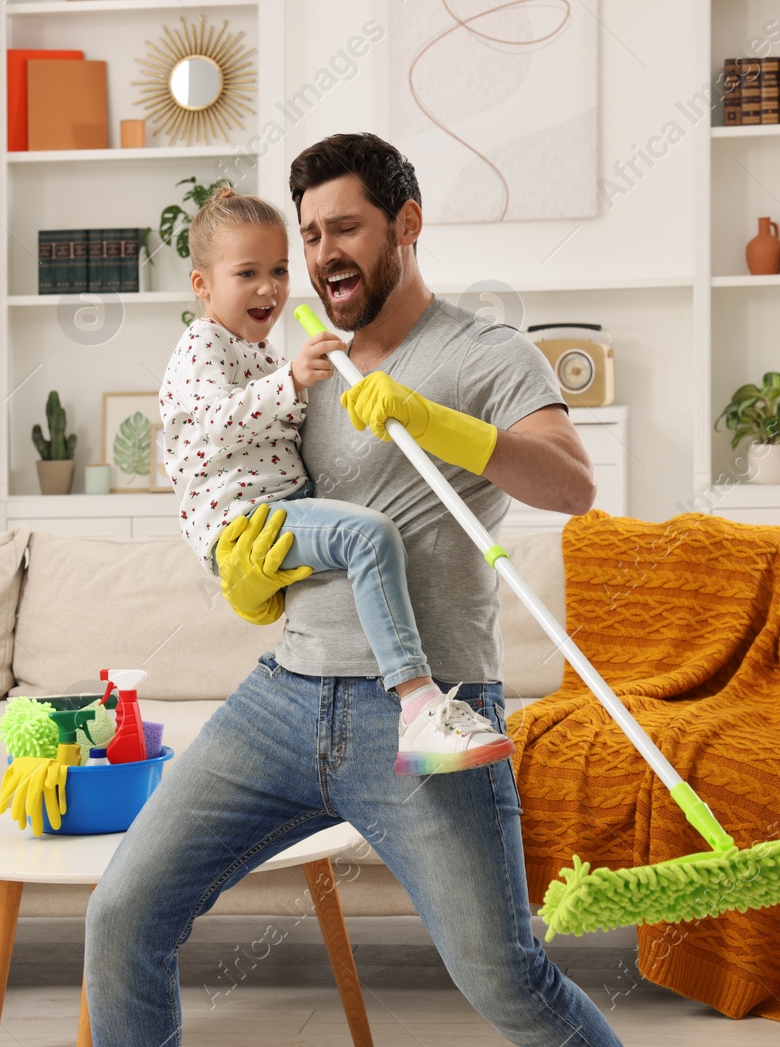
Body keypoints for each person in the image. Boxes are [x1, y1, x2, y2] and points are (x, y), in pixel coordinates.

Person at [86, 133, 620, 1047]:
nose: (325, 253)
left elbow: (572, 485)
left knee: (508, 980)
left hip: (428, 710)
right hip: (285, 697)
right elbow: (238, 480)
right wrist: (251, 576)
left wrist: (433, 420)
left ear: (406, 224)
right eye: (311, 234)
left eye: (345, 227)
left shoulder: (489, 353)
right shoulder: (301, 363)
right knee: (122, 915)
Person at [157, 183, 514, 776]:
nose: (268, 288)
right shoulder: (202, 345)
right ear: (203, 286)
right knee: (369, 536)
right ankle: (420, 705)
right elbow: (208, 427)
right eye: (246, 273)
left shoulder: (261, 350)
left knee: (365, 542)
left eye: (277, 269)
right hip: (245, 521)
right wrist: (291, 383)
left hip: (281, 509)